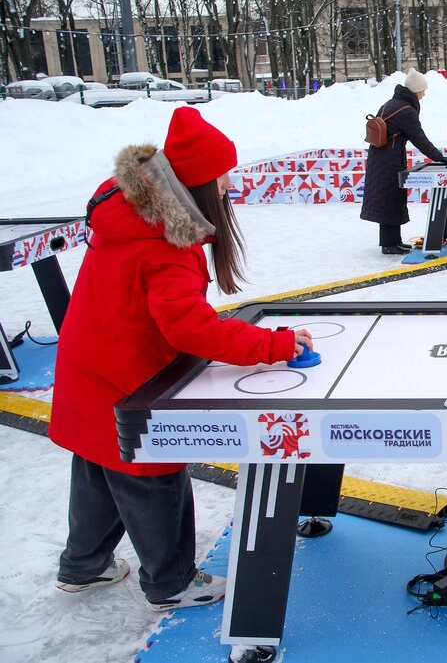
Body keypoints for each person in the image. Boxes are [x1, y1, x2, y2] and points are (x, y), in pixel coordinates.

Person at [49, 107, 314, 613]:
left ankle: (82, 567)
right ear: (194, 185)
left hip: (90, 369)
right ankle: (170, 583)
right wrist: (273, 346)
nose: (230, 187)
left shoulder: (131, 214)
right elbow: (190, 328)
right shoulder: (167, 244)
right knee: (152, 479)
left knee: (98, 470)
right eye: (222, 178)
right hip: (129, 380)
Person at [360, 68, 447, 255]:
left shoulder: (391, 103)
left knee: (388, 199)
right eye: (422, 91)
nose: (424, 95)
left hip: (381, 157)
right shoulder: (406, 111)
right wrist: (439, 156)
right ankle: (389, 244)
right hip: (390, 159)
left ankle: (393, 241)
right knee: (390, 199)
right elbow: (419, 139)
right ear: (415, 90)